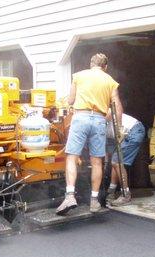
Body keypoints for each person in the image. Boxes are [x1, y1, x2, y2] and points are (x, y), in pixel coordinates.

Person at [56, 53, 122, 215]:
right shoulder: (110, 81)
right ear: (105, 67)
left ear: (91, 64)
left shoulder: (79, 76)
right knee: (97, 161)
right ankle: (94, 201)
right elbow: (116, 107)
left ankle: (70, 195)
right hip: (99, 119)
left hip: (81, 117)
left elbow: (70, 101)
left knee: (72, 156)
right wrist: (118, 129)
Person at [105, 113, 146, 206]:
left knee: (116, 162)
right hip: (126, 133)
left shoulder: (102, 115)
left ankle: (126, 195)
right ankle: (111, 192)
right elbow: (108, 152)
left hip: (133, 131)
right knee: (115, 162)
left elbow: (110, 113)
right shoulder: (101, 129)